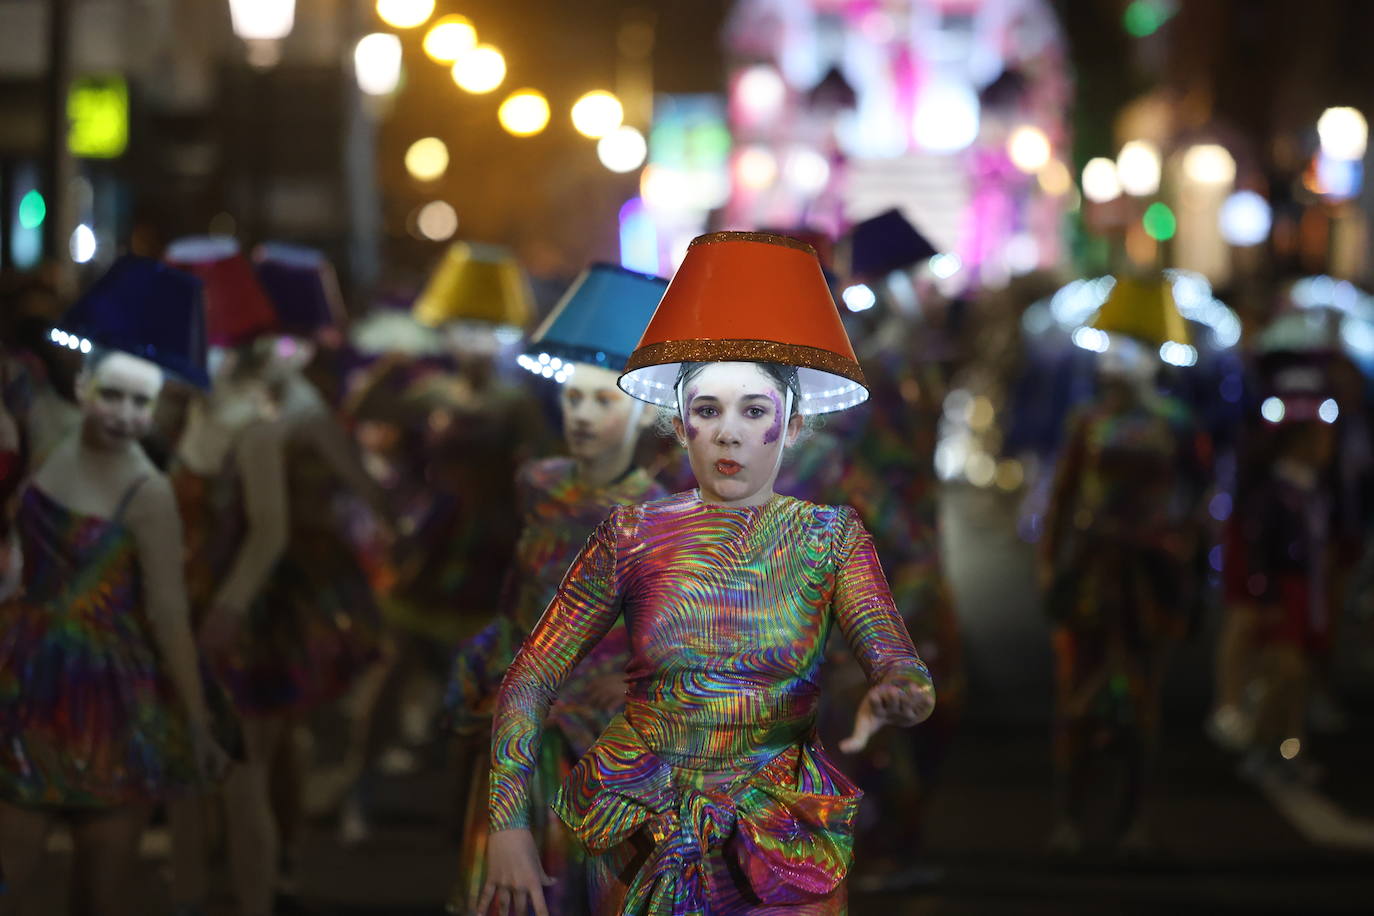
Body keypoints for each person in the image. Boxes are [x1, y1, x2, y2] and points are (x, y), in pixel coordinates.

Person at [477, 232, 935, 916]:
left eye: (754, 410)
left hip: (784, 848)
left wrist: (899, 693)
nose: (728, 433)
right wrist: (508, 825)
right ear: (678, 422)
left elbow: (904, 668)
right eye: (707, 409)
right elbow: (530, 675)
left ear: (793, 421)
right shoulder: (632, 533)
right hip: (642, 838)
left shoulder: (829, 537)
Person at [0, 257, 228, 916]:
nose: (126, 414)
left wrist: (195, 719)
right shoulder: (46, 436)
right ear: (85, 388)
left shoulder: (148, 491)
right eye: (113, 395)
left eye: (142, 402)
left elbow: (168, 613)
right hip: (26, 679)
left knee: (100, 888)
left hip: (112, 697)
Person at [445, 265, 668, 915]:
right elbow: (519, 589)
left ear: (644, 408)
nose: (585, 414)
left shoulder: (656, 515)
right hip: (525, 718)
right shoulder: (538, 483)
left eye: (605, 400)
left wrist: (638, 683)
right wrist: (492, 654)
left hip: (604, 736)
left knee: (590, 886)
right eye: (574, 398)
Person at [1040, 333, 1210, 855]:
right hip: (1095, 572)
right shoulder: (1088, 421)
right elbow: (1063, 498)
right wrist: (1050, 565)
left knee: (1142, 698)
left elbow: (1199, 494)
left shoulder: (1176, 421)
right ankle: (1071, 816)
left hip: (1149, 574)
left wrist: (1190, 554)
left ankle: (1132, 821)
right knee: (1079, 696)